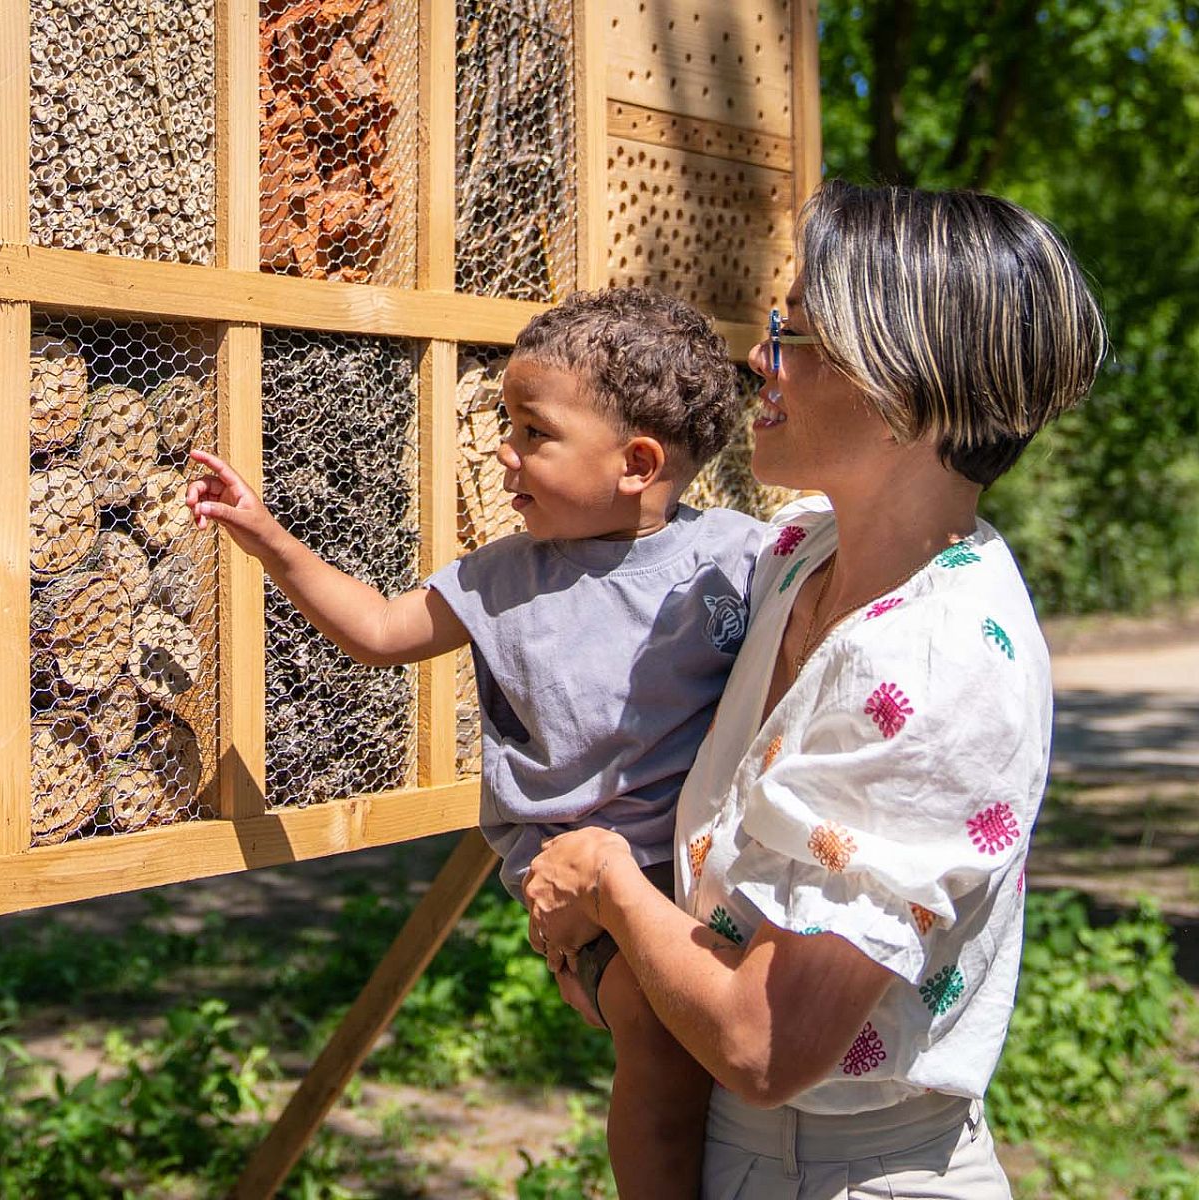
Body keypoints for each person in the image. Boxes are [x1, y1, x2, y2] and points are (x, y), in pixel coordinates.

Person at [523, 181, 1106, 1197]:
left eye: (797, 334)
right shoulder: (800, 549)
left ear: (901, 389)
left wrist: (612, 889)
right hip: (740, 1151)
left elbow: (766, 1046)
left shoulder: (935, 667)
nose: (760, 356)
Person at [185, 289, 764, 1197]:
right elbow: (378, 629)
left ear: (637, 463)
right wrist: (265, 538)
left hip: (715, 871)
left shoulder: (740, 557)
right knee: (659, 1044)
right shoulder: (503, 578)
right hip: (593, 895)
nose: (504, 452)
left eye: (535, 433)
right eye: (510, 425)